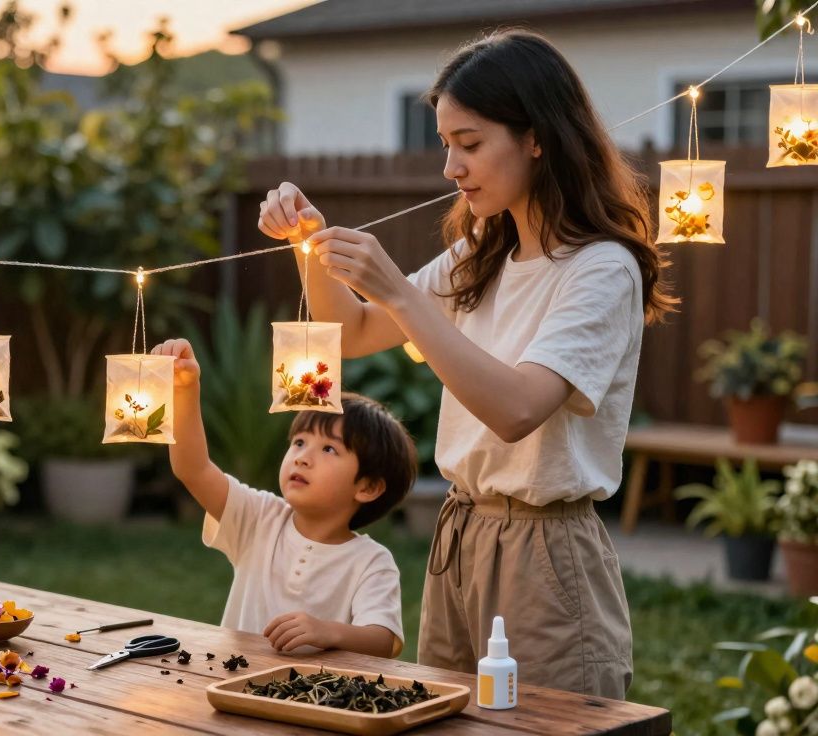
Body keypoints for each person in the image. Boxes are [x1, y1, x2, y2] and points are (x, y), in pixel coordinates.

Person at [257, 29, 675, 699]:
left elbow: (516, 409)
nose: (451, 167)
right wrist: (308, 241)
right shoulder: (483, 250)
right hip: (460, 536)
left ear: (537, 136)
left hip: (545, 552)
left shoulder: (601, 270)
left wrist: (396, 289)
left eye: (471, 144)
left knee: (545, 722)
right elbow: (353, 330)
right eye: (446, 145)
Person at [151, 337, 416, 657]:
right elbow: (193, 469)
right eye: (300, 442)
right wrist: (184, 391)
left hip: (313, 700)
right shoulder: (259, 517)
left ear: (368, 487)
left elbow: (383, 641)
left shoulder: (371, 562)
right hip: (232, 685)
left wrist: (327, 631)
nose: (303, 457)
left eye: (329, 449)